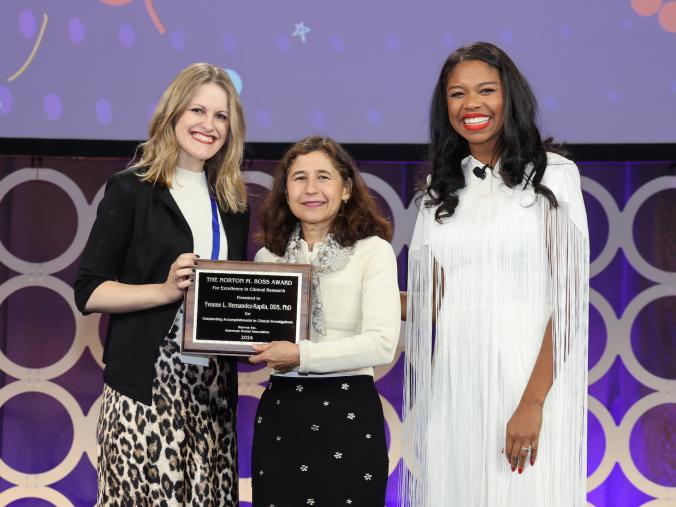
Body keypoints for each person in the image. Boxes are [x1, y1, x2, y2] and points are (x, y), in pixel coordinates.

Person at [400, 42, 589, 506]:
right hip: (457, 386)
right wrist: (331, 296)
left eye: (486, 90)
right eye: (457, 94)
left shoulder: (554, 177)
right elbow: (429, 301)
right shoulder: (437, 193)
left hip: (528, 377)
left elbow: (568, 303)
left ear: (511, 97)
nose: (471, 105)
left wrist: (532, 402)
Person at [74, 63, 249, 506]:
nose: (208, 125)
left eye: (221, 116)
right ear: (173, 114)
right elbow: (89, 290)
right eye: (197, 110)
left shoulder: (232, 202)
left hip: (212, 394)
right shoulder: (131, 189)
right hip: (145, 387)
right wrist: (164, 290)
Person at [249, 136, 400, 506]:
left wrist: (302, 355)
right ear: (285, 191)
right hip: (282, 414)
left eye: (323, 177)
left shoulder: (373, 251)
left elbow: (381, 342)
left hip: (349, 412)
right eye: (299, 178)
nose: (311, 189)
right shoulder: (268, 259)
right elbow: (253, 339)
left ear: (346, 188)